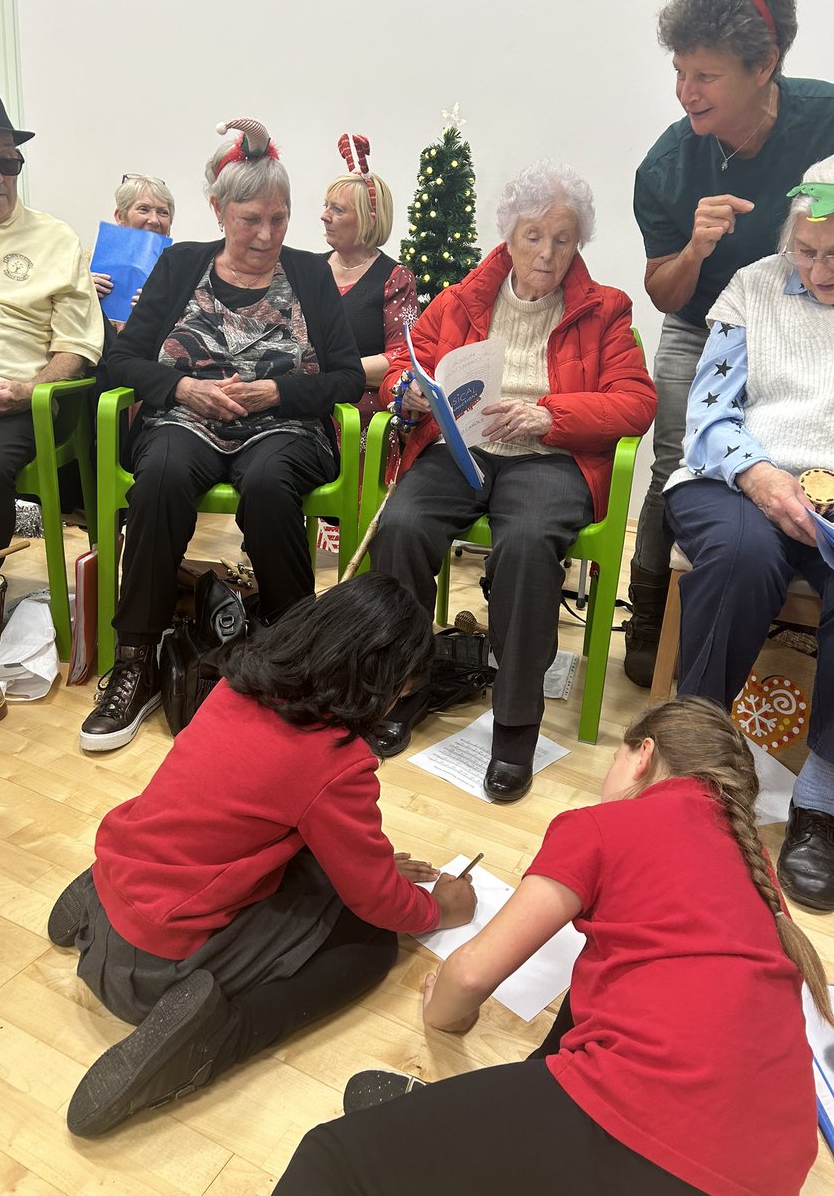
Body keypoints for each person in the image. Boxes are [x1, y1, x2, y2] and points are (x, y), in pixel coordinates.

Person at [274, 697, 828, 1196]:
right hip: (775, 1162)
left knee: (330, 1159)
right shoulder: (755, 871)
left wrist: (441, 1011)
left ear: (643, 754)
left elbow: (468, 977)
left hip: (654, 1120)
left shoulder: (607, 825)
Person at [50, 574, 477, 1137]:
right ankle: (218, 1039)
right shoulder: (337, 761)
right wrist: (439, 910)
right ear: (381, 685)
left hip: (124, 876)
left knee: (286, 852)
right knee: (368, 946)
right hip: (152, 963)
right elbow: (376, 903)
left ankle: (98, 905)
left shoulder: (239, 684)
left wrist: (363, 864)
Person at [369, 161, 656, 802]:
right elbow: (399, 362)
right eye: (533, 236)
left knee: (526, 547)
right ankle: (406, 681)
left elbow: (636, 401)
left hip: (548, 458)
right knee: (401, 525)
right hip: (463, 446)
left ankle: (515, 723)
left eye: (562, 238)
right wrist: (408, 391)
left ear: (578, 241)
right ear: (509, 235)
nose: (547, 253)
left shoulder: (604, 309)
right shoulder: (464, 296)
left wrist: (549, 415)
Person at [79, 117, 364, 752]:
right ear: (218, 209)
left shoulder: (312, 276)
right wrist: (182, 388)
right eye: (249, 219)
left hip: (283, 424)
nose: (266, 235)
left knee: (267, 485)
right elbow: (121, 364)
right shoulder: (181, 265)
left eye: (279, 219)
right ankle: (136, 660)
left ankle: (295, 655)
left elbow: (346, 379)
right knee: (160, 475)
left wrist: (279, 391)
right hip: (188, 414)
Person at [624, 0, 834, 687]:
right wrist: (692, 246)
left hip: (818, 325)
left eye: (705, 76)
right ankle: (652, 619)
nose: (685, 92)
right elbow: (665, 295)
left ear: (765, 66)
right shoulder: (666, 167)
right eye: (680, 71)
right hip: (711, 321)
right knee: (676, 455)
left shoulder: (824, 118)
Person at [664, 159, 834, 910]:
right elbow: (709, 414)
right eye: (808, 250)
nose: (820, 269)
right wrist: (762, 476)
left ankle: (821, 802)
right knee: (740, 557)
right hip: (733, 475)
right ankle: (690, 766)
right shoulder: (753, 288)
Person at [0, 78, 102, 569]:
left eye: (8, 161)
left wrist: (29, 390)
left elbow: (77, 345)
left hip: (5, 403)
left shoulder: (54, 238)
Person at [321, 134, 417, 461]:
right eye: (326, 206)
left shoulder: (395, 278)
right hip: (309, 396)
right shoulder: (312, 270)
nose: (324, 216)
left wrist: (335, 372)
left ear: (366, 218)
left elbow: (403, 358)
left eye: (337, 209)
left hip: (359, 407)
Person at [91, 173, 175, 306]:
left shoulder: (182, 271)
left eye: (163, 212)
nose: (154, 220)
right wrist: (82, 293)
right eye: (143, 209)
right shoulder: (86, 265)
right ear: (120, 217)